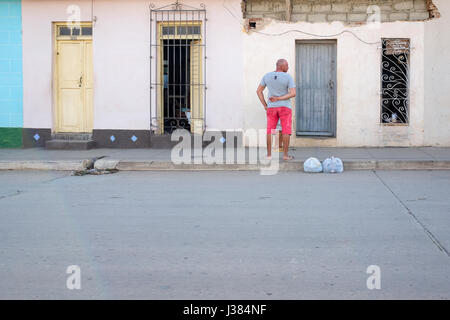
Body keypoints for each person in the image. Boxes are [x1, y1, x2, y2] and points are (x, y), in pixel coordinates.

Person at [256, 59, 296, 161]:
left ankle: (269, 155)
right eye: (287, 65)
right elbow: (293, 93)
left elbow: (258, 91)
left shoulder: (267, 76)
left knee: (270, 130)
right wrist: (279, 98)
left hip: (271, 107)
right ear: (281, 66)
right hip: (285, 107)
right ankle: (286, 156)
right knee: (286, 130)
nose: (288, 67)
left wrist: (265, 105)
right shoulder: (288, 77)